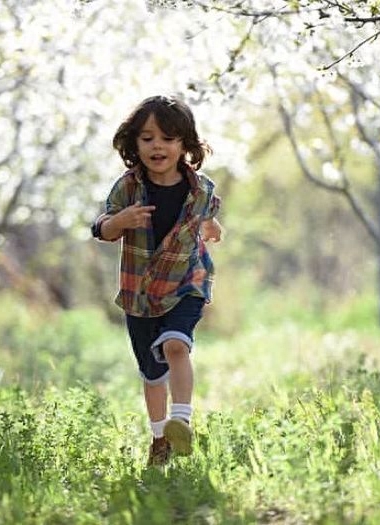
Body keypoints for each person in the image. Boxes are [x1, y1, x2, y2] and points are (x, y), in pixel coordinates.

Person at [91, 95, 222, 466]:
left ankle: (181, 420)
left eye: (167, 138)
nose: (157, 146)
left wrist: (213, 227)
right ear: (134, 145)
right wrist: (119, 222)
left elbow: (207, 214)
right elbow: (101, 226)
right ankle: (160, 437)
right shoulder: (128, 189)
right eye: (147, 138)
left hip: (187, 281)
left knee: (176, 346)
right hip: (142, 293)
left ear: (185, 145)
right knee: (152, 373)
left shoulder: (201, 189)